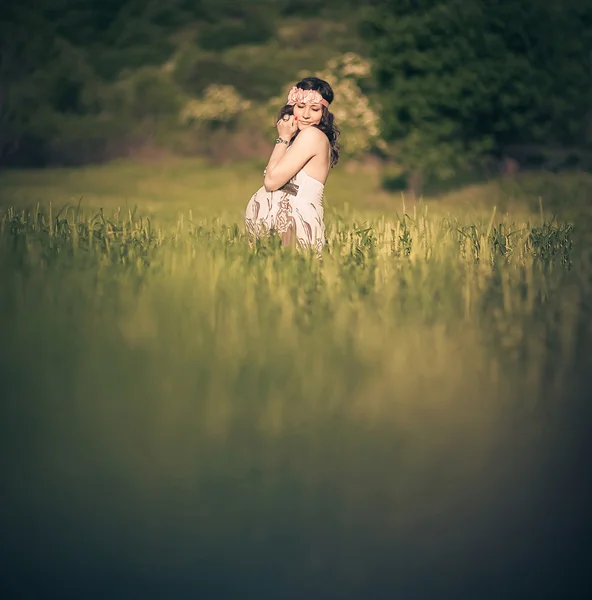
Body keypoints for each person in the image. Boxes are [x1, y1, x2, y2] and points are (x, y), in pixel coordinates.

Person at [245, 77, 340, 255]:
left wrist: (283, 137)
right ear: (292, 107)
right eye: (300, 106)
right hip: (277, 230)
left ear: (324, 113)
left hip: (292, 227)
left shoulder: (312, 135)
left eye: (314, 109)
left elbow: (271, 181)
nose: (305, 115)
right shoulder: (298, 140)